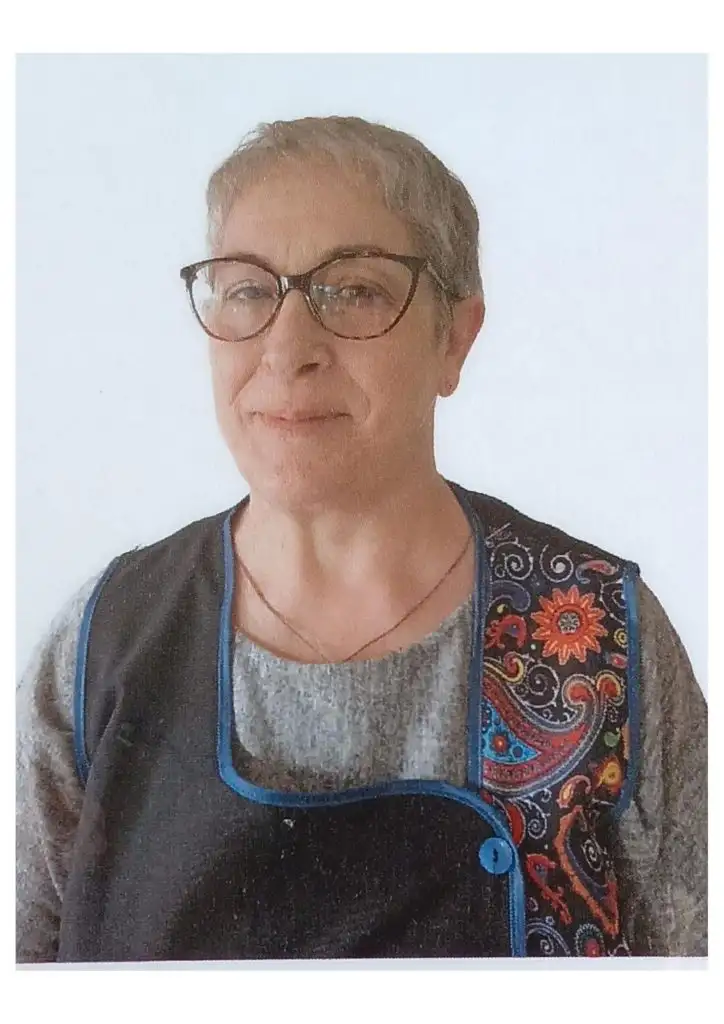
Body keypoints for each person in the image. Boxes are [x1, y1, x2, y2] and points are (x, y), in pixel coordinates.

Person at [16, 115, 707, 962]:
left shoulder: (601, 642)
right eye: (247, 290)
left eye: (353, 291)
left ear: (455, 338)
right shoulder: (103, 647)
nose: (287, 349)